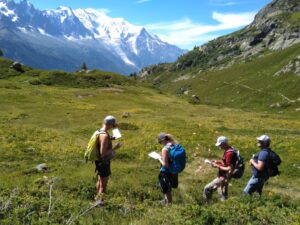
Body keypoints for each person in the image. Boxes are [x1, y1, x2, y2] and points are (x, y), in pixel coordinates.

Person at [94, 115, 122, 204]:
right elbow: (103, 153)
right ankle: (99, 203)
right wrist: (115, 148)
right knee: (103, 184)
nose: (112, 128)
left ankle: (97, 199)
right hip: (103, 162)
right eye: (113, 126)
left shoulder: (99, 131)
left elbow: (103, 141)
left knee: (99, 180)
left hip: (98, 161)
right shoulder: (105, 136)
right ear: (110, 124)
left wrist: (113, 137)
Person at [203, 136, 237, 202]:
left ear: (224, 143)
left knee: (207, 189)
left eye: (220, 145)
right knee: (222, 194)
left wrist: (217, 166)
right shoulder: (230, 150)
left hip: (224, 177)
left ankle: (208, 205)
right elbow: (227, 163)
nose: (219, 147)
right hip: (225, 177)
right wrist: (217, 162)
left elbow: (229, 168)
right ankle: (224, 208)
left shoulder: (229, 153)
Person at [157, 133, 179, 204]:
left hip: (167, 170)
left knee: (166, 187)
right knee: (168, 185)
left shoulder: (165, 148)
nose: (161, 144)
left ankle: (169, 204)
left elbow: (165, 165)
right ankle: (166, 200)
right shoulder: (175, 145)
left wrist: (159, 159)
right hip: (174, 169)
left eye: (160, 142)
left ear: (163, 140)